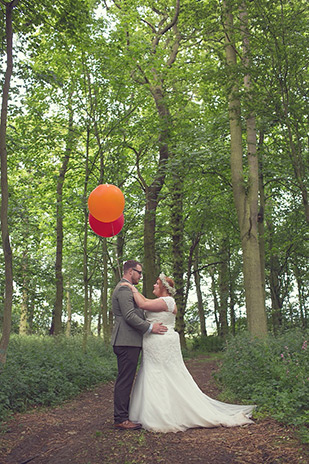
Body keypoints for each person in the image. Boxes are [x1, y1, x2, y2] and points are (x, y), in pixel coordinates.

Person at [122, 273, 256, 433]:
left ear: (164, 287)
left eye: (157, 284)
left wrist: (130, 287)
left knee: (164, 374)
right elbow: (146, 302)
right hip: (154, 343)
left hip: (161, 343)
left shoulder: (168, 301)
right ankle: (158, 409)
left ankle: (164, 413)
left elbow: (143, 303)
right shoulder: (161, 301)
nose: (154, 286)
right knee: (155, 373)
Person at [111, 260, 168, 430]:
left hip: (130, 341)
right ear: (130, 271)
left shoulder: (129, 288)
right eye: (139, 272)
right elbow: (129, 315)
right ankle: (120, 418)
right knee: (125, 380)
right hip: (126, 340)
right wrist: (150, 327)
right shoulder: (123, 288)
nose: (141, 276)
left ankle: (123, 415)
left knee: (127, 378)